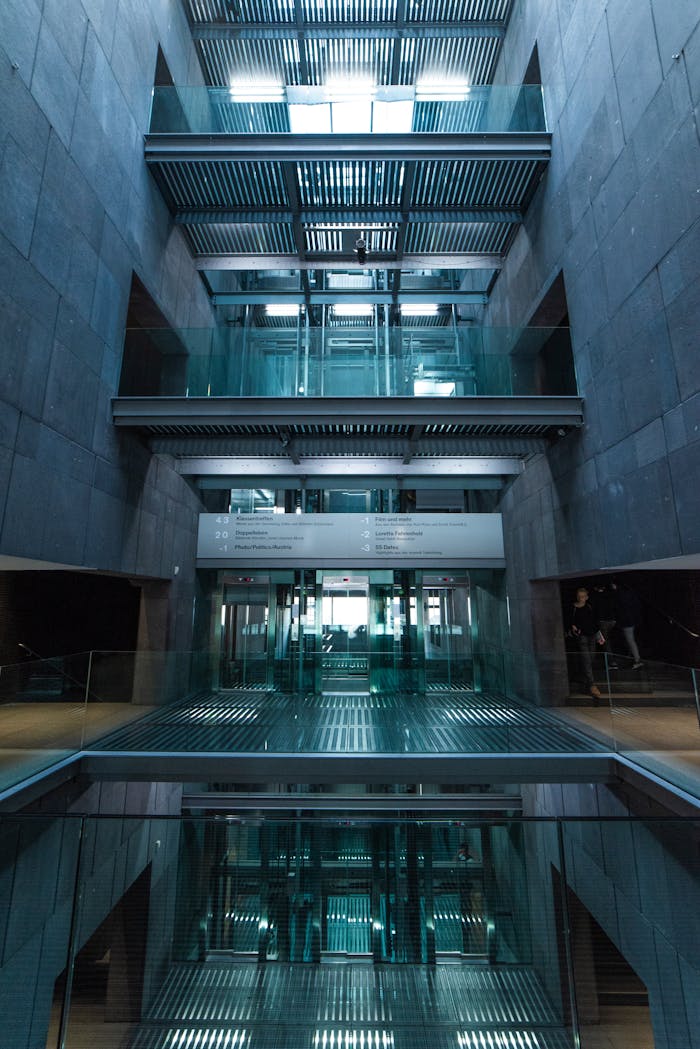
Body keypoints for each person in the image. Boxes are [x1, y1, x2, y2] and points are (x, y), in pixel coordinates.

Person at [569, 587, 604, 699]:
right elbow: (570, 621)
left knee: (591, 658)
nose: (581, 598)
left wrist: (599, 635)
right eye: (579, 596)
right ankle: (592, 684)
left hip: (591, 635)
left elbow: (594, 622)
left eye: (583, 596)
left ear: (586, 597)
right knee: (586, 659)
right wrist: (573, 627)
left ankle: (586, 679)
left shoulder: (589, 607)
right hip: (582, 636)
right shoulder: (573, 608)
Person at [612, 582, 643, 668]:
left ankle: (637, 660)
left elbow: (619, 609)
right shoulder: (630, 593)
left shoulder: (619, 594)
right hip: (632, 620)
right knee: (630, 640)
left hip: (626, 621)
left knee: (630, 640)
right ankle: (633, 657)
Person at [591, 581, 619, 668]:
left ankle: (611, 661)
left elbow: (594, 610)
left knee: (604, 640)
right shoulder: (609, 594)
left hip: (602, 621)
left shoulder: (595, 596)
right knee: (606, 639)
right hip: (612, 620)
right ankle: (610, 659)